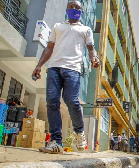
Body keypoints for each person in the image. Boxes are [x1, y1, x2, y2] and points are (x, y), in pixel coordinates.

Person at [34, 0, 100, 154]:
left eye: (77, 8)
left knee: (71, 100)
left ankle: (79, 132)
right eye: (71, 7)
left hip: (73, 69)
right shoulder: (58, 27)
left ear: (81, 11)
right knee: (52, 102)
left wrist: (94, 59)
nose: (74, 9)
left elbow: (91, 49)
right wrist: (39, 65)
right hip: (54, 68)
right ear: (67, 9)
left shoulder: (85, 29)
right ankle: (56, 142)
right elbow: (49, 48)